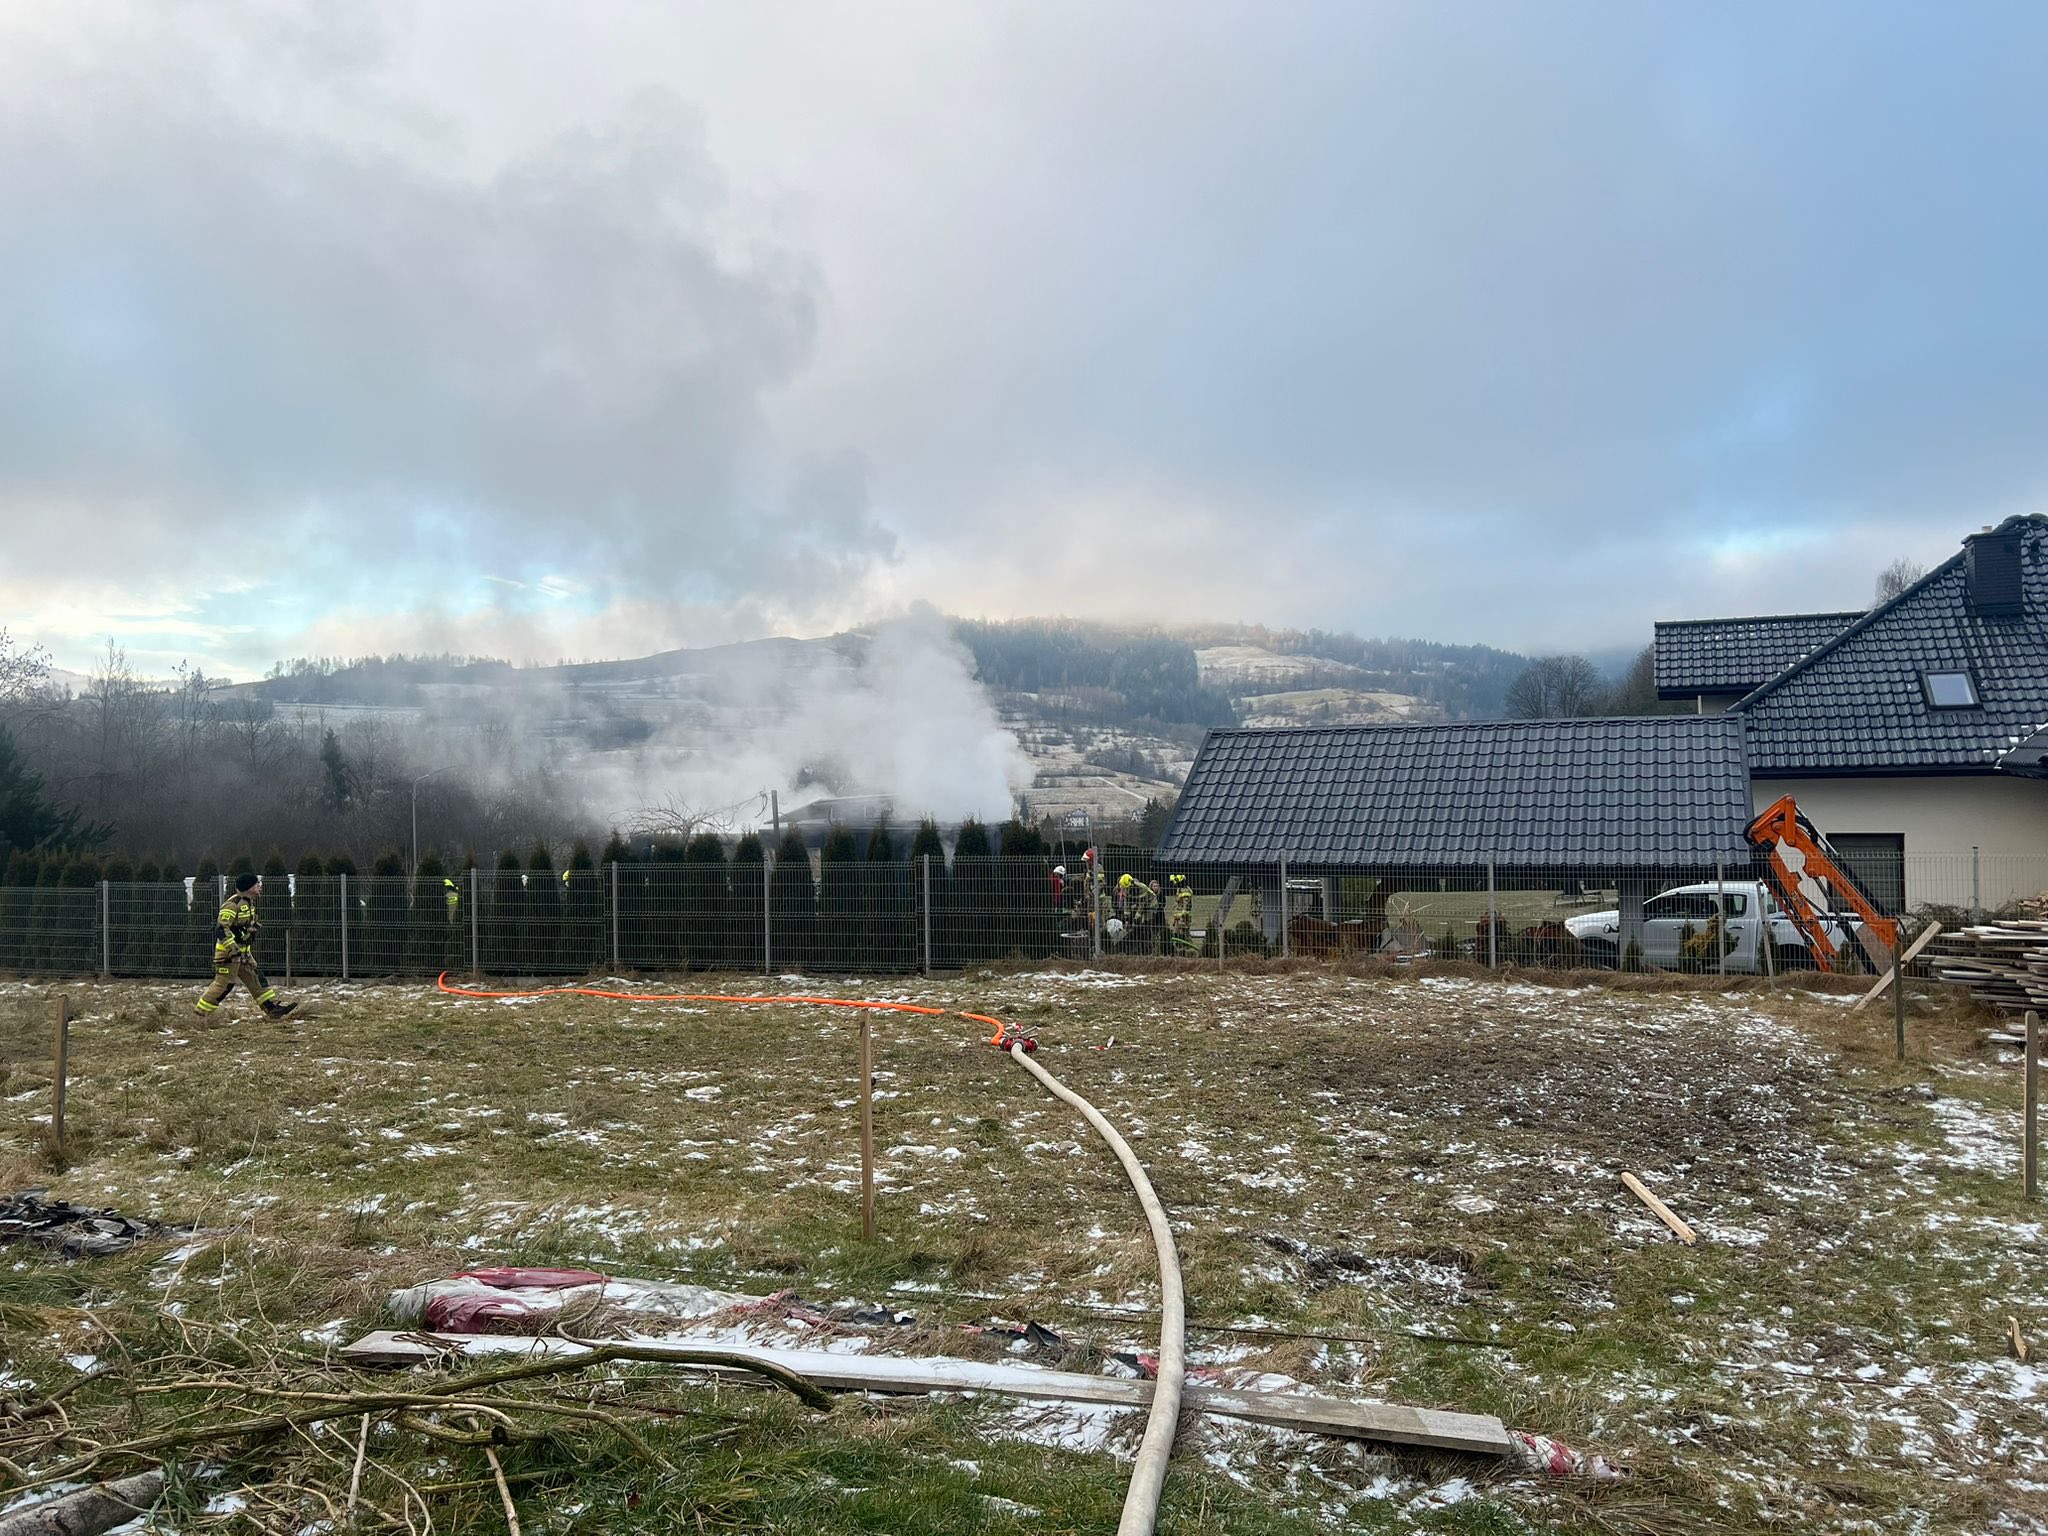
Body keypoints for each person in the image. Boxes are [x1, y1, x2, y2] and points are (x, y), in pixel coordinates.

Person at [194, 872, 298, 1020]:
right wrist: (233, 949)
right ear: (249, 887)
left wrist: (251, 927)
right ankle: (200, 1015)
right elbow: (221, 929)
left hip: (243, 954)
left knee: (257, 979)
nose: (260, 887)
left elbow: (241, 925)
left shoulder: (249, 903)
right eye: (257, 884)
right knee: (223, 985)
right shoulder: (232, 904)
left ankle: (272, 1009)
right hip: (228, 955)